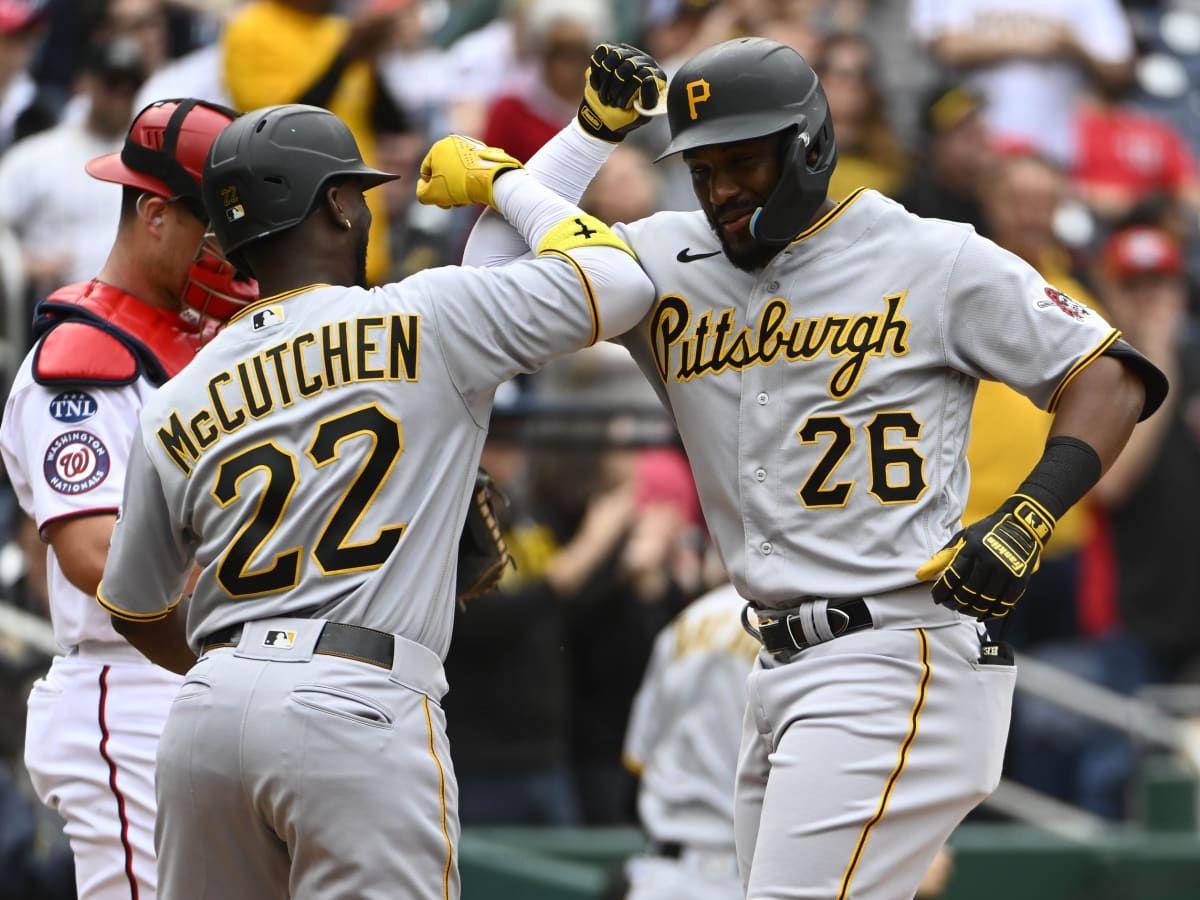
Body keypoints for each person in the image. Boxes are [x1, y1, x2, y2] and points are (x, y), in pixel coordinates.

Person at [462, 38, 1166, 899]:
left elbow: (1111, 374)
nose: (720, 191)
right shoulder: (664, 258)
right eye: (701, 170)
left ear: (810, 145)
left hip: (897, 649)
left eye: (742, 163)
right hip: (777, 663)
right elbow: (485, 297)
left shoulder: (929, 256)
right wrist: (583, 138)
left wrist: (1029, 514)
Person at [94, 103, 653, 899]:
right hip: (356, 701)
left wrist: (249, 668)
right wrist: (507, 182)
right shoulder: (423, 316)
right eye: (355, 192)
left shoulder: (176, 398)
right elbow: (617, 280)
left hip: (208, 713)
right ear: (337, 204)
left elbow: (134, 609)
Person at [0, 97, 253, 900]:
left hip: (229, 682)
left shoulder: (210, 341)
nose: (235, 252)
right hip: (134, 687)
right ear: (155, 214)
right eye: (216, 226)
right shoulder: (80, 360)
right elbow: (94, 555)